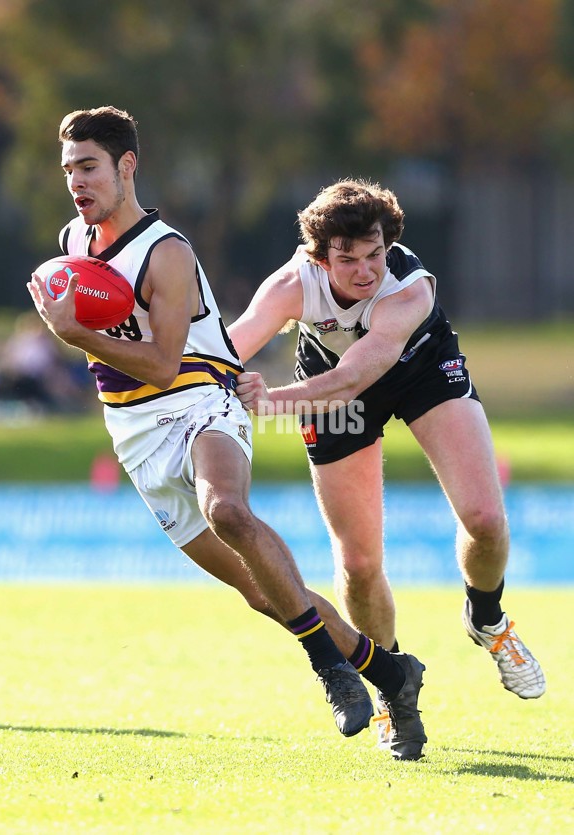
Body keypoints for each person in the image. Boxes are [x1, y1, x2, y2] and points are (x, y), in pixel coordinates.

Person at [27, 108, 427, 761]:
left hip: (199, 398)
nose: (76, 179)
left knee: (229, 509)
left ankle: (331, 669)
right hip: (133, 432)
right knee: (258, 590)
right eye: (69, 167)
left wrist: (74, 334)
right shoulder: (73, 240)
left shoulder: (167, 252)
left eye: (89, 166)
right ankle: (390, 671)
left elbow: (161, 363)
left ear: (127, 165)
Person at [232, 178, 545, 709]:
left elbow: (355, 378)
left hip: (416, 368)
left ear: (388, 243)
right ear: (319, 258)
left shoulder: (408, 288)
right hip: (327, 384)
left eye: (374, 254)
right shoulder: (291, 284)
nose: (365, 271)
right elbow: (230, 347)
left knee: (486, 521)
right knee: (357, 565)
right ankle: (392, 682)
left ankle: (487, 618)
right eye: (347, 259)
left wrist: (273, 401)